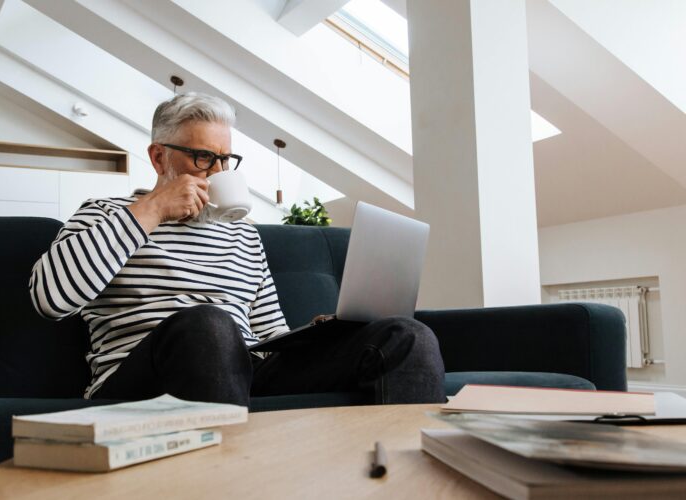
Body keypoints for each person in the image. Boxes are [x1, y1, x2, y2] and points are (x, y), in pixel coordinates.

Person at [29, 92, 445, 406]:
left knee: (406, 335)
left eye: (226, 160)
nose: (218, 173)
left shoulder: (243, 236)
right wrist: (153, 209)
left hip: (246, 373)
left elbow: (268, 336)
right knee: (208, 326)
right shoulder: (108, 215)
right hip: (140, 381)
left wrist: (320, 334)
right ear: (159, 158)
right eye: (203, 158)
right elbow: (50, 299)